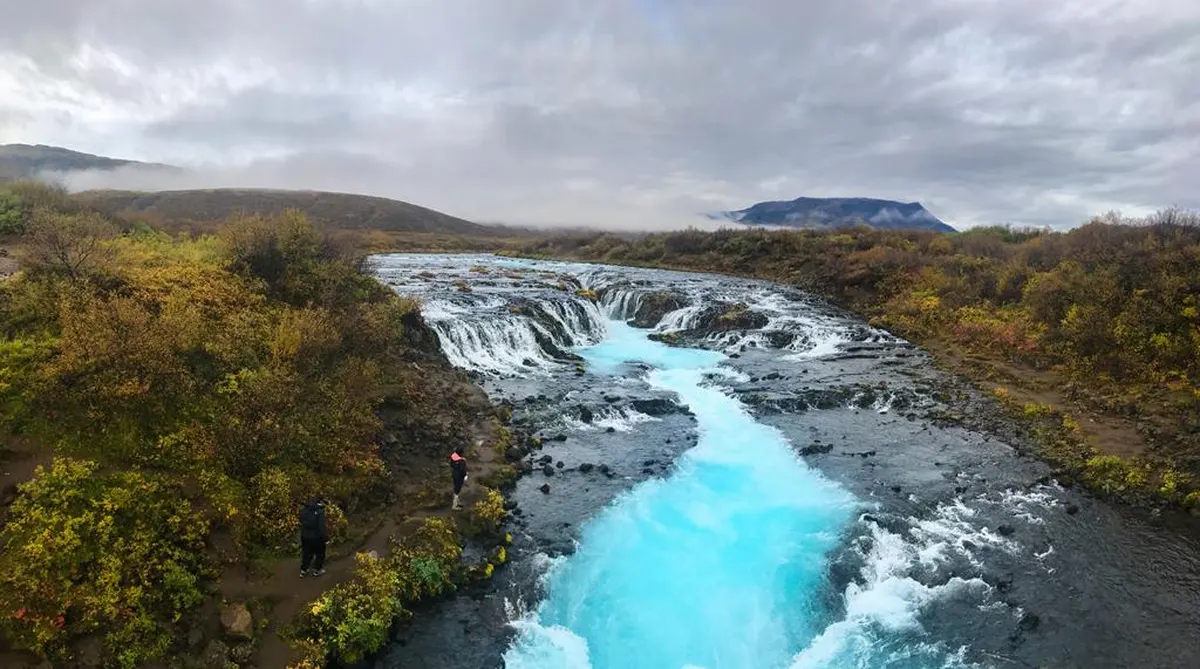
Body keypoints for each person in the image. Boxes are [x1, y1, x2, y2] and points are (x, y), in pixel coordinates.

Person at [299, 498, 328, 577]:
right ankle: (317, 570)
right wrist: (326, 538)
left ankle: (303, 570)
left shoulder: (303, 511)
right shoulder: (320, 512)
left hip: (305, 536)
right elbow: (322, 526)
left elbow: (301, 521)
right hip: (317, 537)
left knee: (306, 553)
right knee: (320, 554)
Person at [450, 445, 468, 510]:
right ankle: (454, 506)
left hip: (454, 474)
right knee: (457, 490)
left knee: (455, 488)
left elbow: (451, 465)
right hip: (459, 477)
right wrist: (465, 475)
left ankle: (457, 502)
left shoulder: (453, 456)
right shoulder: (462, 461)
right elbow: (463, 470)